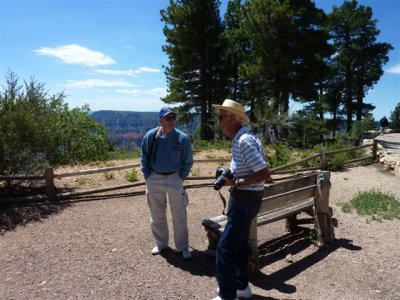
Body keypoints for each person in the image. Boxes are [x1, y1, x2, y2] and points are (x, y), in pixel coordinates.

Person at [211, 99, 271, 300]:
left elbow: (264, 172)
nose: (220, 122)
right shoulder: (244, 138)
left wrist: (236, 183)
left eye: (222, 117)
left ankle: (227, 296)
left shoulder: (243, 141)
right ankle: (241, 287)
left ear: (234, 118)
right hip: (248, 199)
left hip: (244, 200)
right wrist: (235, 179)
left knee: (224, 249)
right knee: (240, 245)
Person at [141, 107, 193, 259]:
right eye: (168, 118)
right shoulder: (151, 136)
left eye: (173, 117)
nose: (171, 121)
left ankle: (183, 247)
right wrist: (147, 176)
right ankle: (161, 244)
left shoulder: (182, 138)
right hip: (154, 178)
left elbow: (188, 160)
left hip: (174, 178)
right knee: (157, 214)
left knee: (179, 215)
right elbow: (144, 157)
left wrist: (180, 177)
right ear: (161, 120)